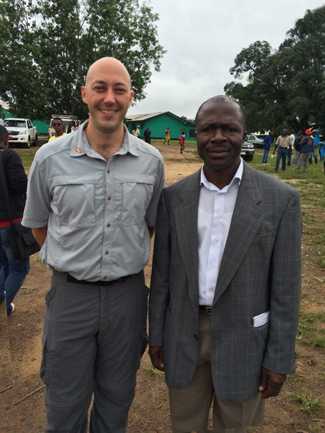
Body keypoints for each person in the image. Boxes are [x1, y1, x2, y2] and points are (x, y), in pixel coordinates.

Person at [22, 57, 164, 433]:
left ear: (130, 97)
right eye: (100, 87)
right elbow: (38, 226)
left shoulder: (151, 163)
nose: (109, 98)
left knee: (116, 403)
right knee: (64, 405)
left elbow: (147, 225)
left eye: (119, 89)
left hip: (128, 299)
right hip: (70, 298)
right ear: (85, 93)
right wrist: (75, 258)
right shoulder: (49, 159)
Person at [149, 95, 301, 433]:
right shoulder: (174, 198)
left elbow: (286, 289)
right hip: (184, 334)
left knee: (236, 425)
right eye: (208, 129)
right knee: (184, 424)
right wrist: (156, 334)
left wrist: (279, 358)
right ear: (195, 136)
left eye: (229, 128)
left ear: (243, 134)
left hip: (246, 338)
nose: (218, 137)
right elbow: (162, 276)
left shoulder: (281, 200)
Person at [0, 125, 29, 316]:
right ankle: (5, 305)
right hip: (10, 223)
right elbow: (20, 185)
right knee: (19, 268)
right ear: (6, 137)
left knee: (3, 264)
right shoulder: (9, 156)